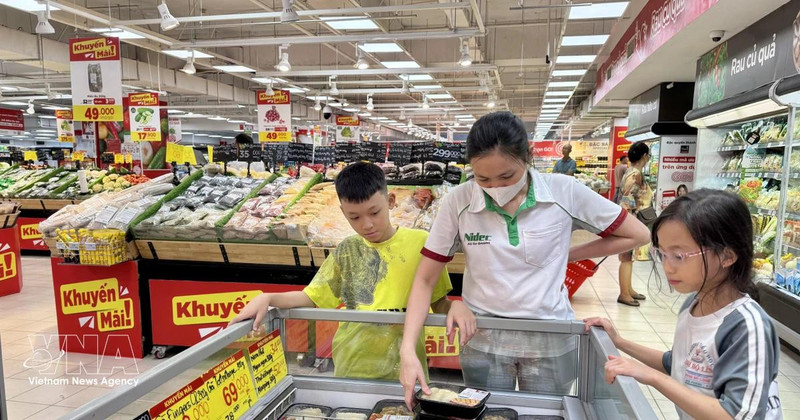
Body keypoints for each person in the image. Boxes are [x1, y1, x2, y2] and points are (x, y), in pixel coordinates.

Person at [398, 112, 650, 407]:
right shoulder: (459, 201)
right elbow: (425, 278)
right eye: (483, 179)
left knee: (543, 414)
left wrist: (568, 254)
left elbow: (638, 234)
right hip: (483, 341)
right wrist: (407, 349)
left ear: (528, 157)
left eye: (507, 176)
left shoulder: (562, 191)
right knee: (487, 412)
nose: (495, 187)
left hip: (550, 340)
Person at [230, 162, 457, 380]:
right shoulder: (347, 250)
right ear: (343, 212)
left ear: (390, 201)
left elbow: (439, 302)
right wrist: (268, 298)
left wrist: (456, 306)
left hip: (405, 366)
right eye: (354, 217)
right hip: (352, 363)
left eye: (374, 212)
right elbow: (312, 297)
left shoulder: (422, 244)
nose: (366, 224)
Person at [585, 190, 782, 420]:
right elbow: (679, 364)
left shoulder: (747, 326)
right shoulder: (693, 304)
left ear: (727, 256)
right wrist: (618, 341)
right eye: (663, 254)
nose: (668, 267)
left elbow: (736, 415)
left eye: (678, 256)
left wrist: (652, 377)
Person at [617, 142, 653, 306]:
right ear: (644, 156)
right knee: (626, 257)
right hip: (630, 220)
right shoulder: (635, 175)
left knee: (629, 257)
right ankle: (624, 294)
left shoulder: (631, 172)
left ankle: (629, 289)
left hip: (629, 220)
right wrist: (629, 224)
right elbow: (628, 200)